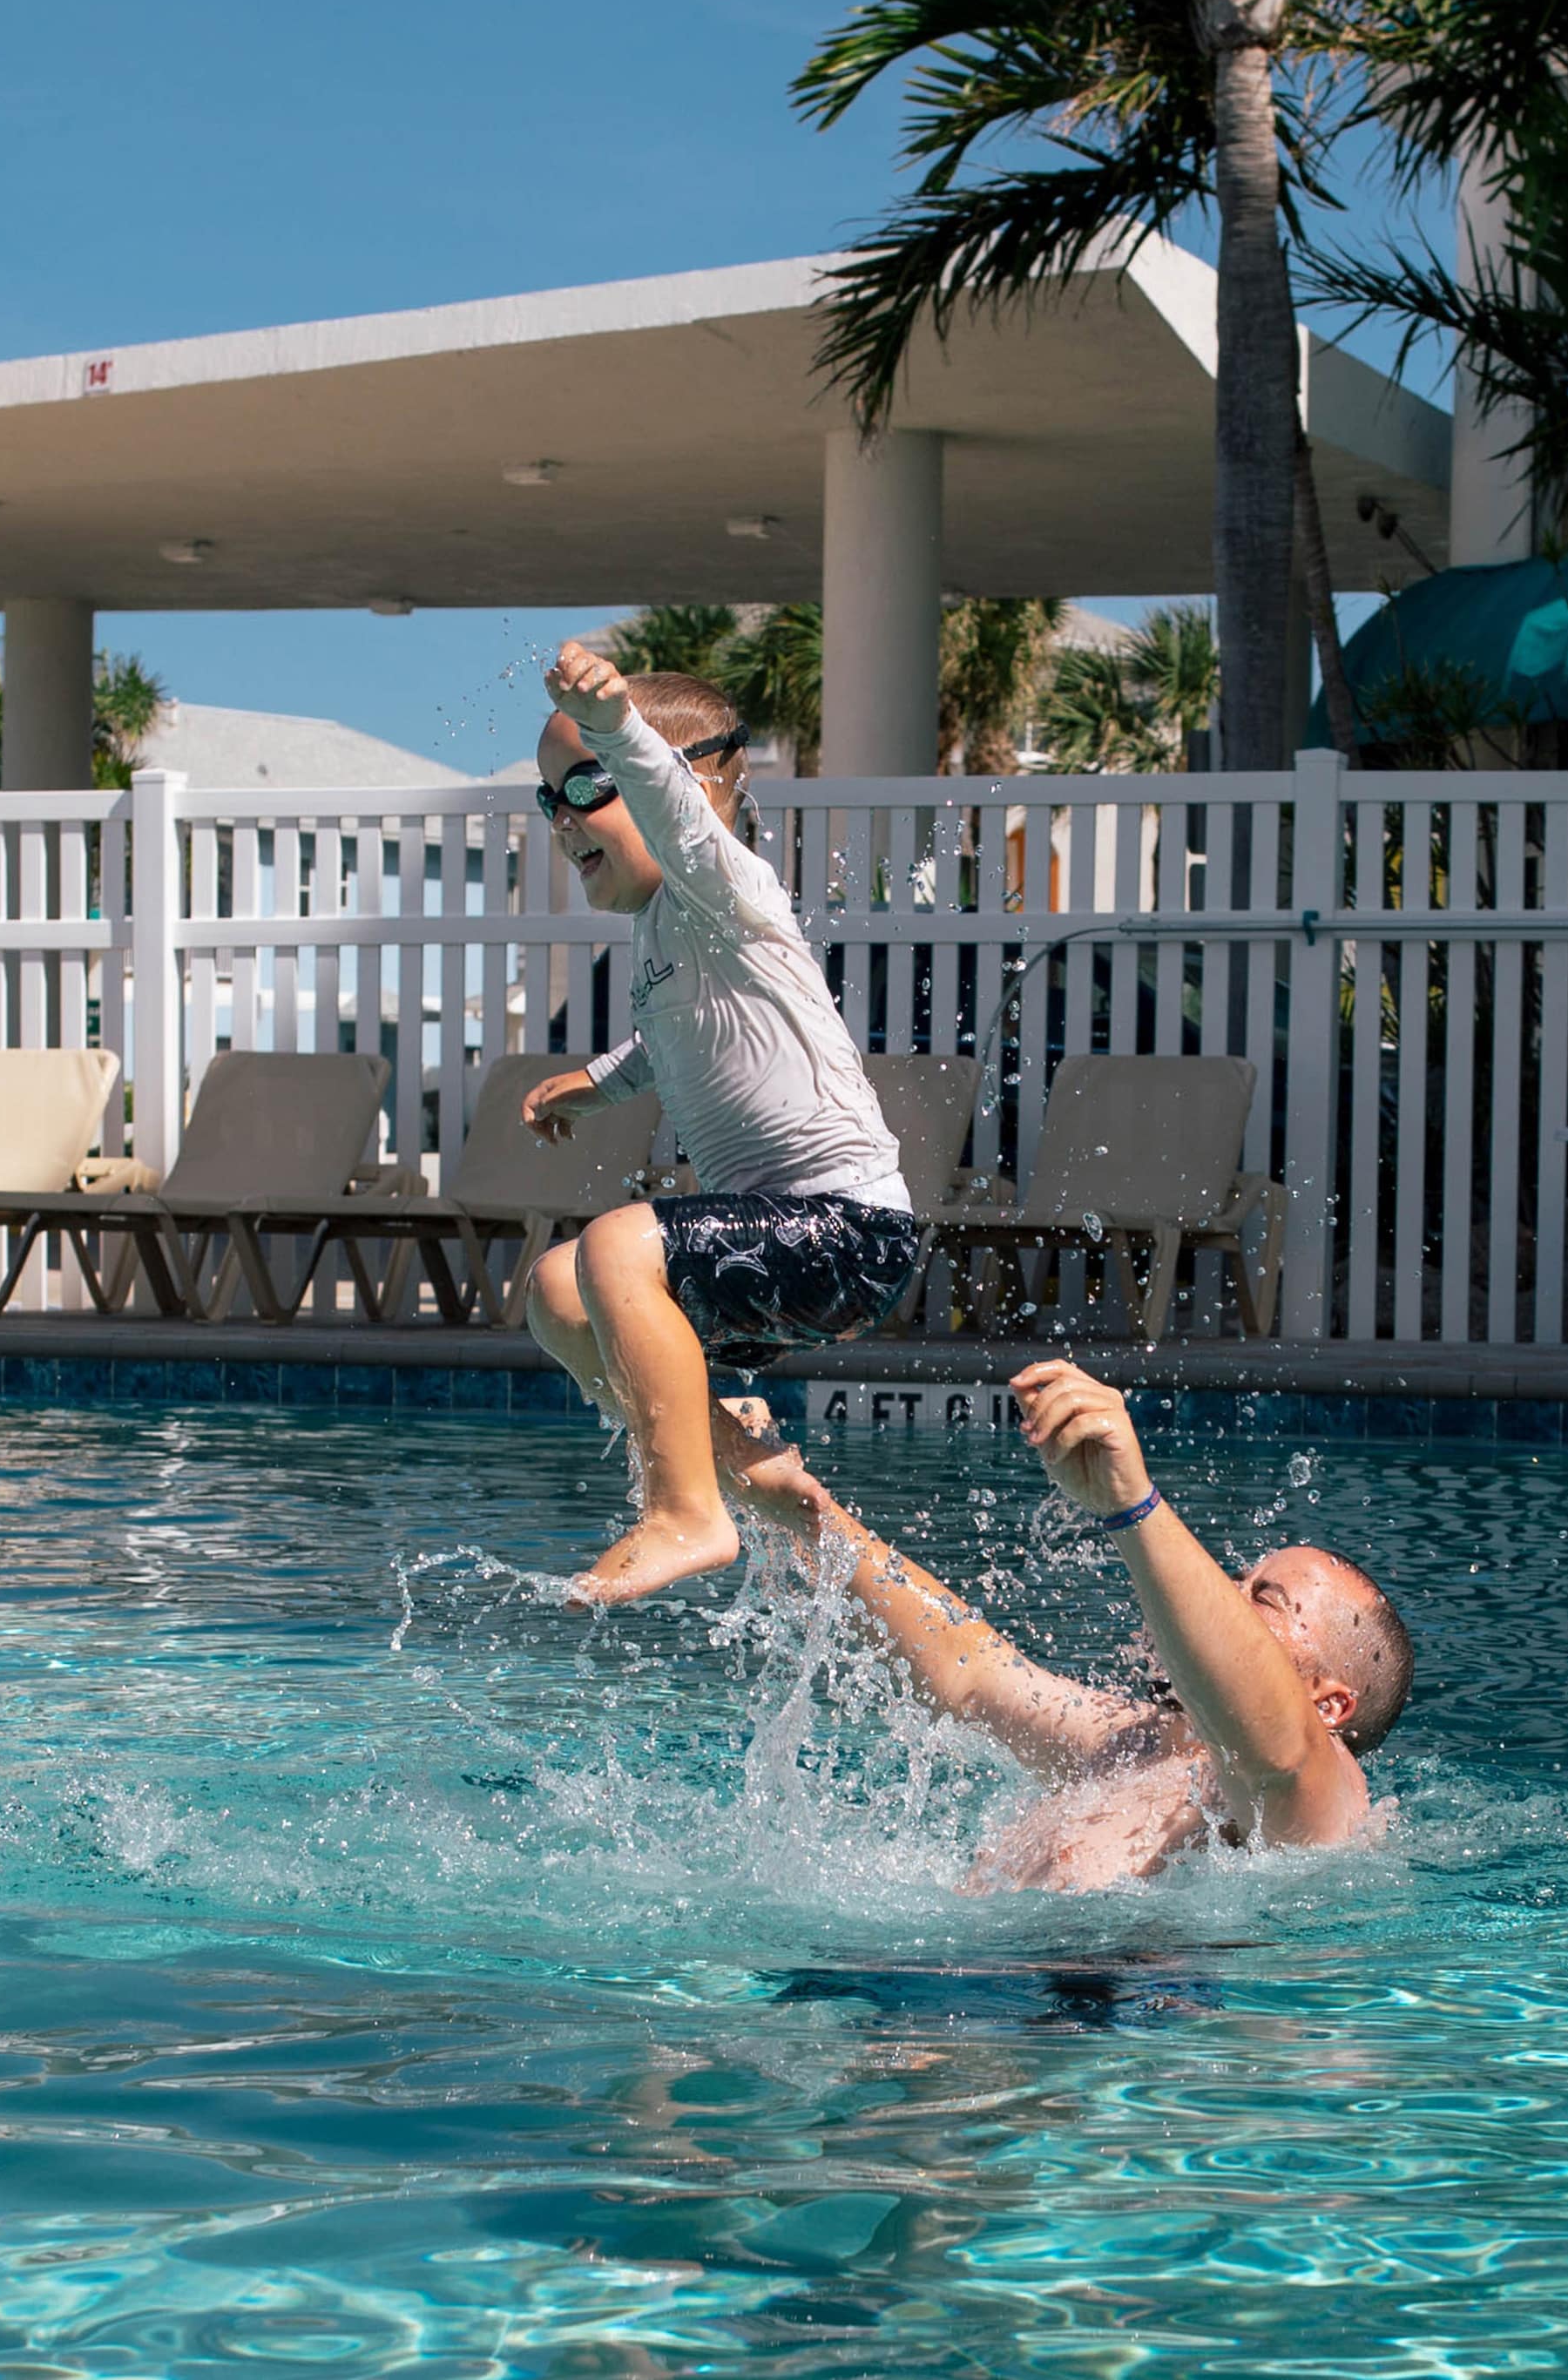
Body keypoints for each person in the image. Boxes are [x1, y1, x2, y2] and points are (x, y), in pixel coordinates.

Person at [518, 639, 918, 1603]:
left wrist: (615, 724)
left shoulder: (722, 886)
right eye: (548, 799)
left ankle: (684, 1512)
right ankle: (741, 1457)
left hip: (849, 1228)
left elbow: (667, 807)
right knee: (555, 1293)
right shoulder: (661, 939)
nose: (562, 818)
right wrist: (589, 1083)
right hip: (777, 1245)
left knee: (619, 1243)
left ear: (678, 789)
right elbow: (666, 1047)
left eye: (584, 787)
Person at [711, 1362, 1411, 1889]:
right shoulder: (1139, 1743)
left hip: (1099, 2017)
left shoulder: (1322, 1792)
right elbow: (970, 1671)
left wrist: (1129, 1502)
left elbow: (1277, 1746)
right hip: (980, 1987)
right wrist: (805, 1516)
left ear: (1330, 1702)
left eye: (1263, 1598)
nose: (1228, 1593)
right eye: (1239, 1578)